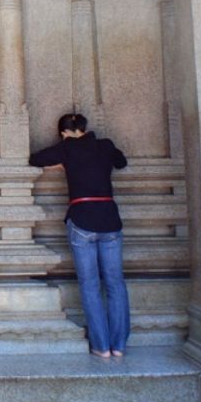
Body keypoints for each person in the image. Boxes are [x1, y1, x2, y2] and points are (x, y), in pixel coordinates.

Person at [29, 113, 129, 357]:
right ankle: (119, 345)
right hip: (109, 218)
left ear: (63, 132)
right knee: (115, 283)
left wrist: (63, 163)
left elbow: (35, 159)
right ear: (84, 128)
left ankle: (101, 346)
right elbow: (121, 162)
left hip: (82, 218)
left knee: (90, 285)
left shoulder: (66, 149)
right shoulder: (104, 145)